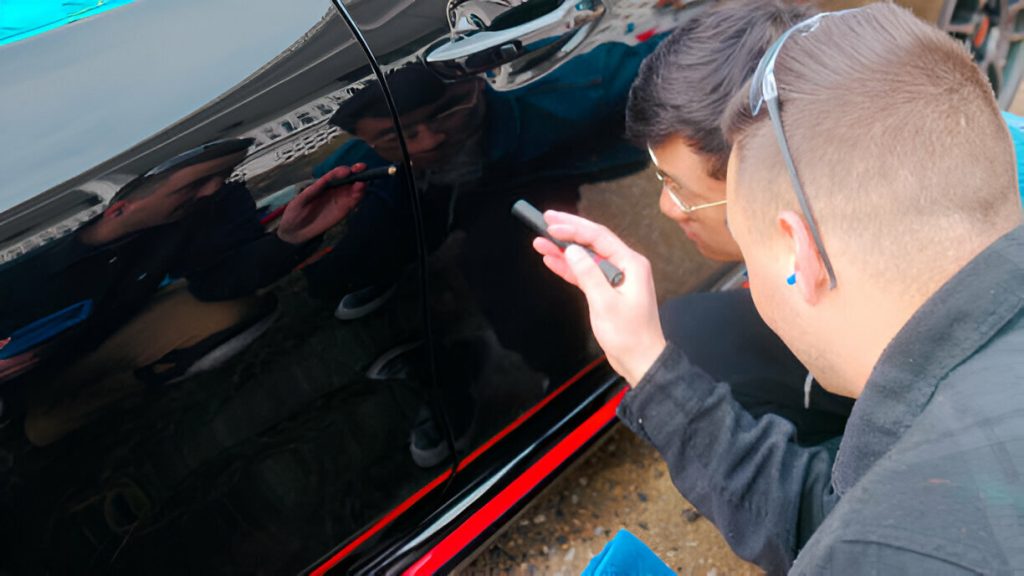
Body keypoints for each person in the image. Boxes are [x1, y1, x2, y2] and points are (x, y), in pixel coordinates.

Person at [533, 4, 1024, 574]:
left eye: (741, 226)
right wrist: (650, 362)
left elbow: (843, 528)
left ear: (798, 251)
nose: (669, 209)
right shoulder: (986, 156)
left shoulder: (876, 547)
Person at [625, 0, 856, 446]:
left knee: (688, 341)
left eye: (683, 191)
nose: (668, 208)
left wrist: (650, 370)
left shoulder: (874, 308)